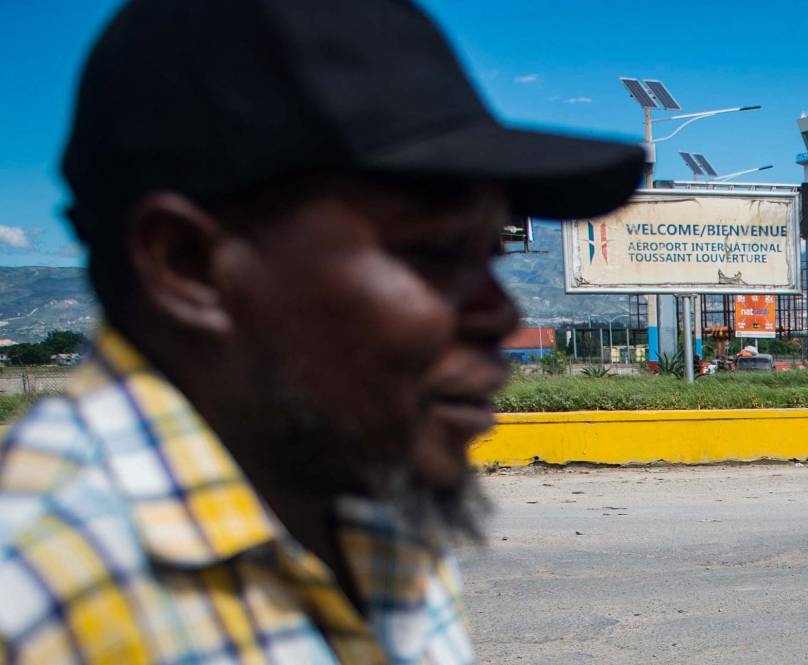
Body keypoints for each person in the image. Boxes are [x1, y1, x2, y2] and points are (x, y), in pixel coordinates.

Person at [0, 1, 643, 663]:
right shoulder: (34, 591)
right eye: (433, 252)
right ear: (187, 264)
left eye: (489, 256)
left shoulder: (369, 502)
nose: (503, 314)